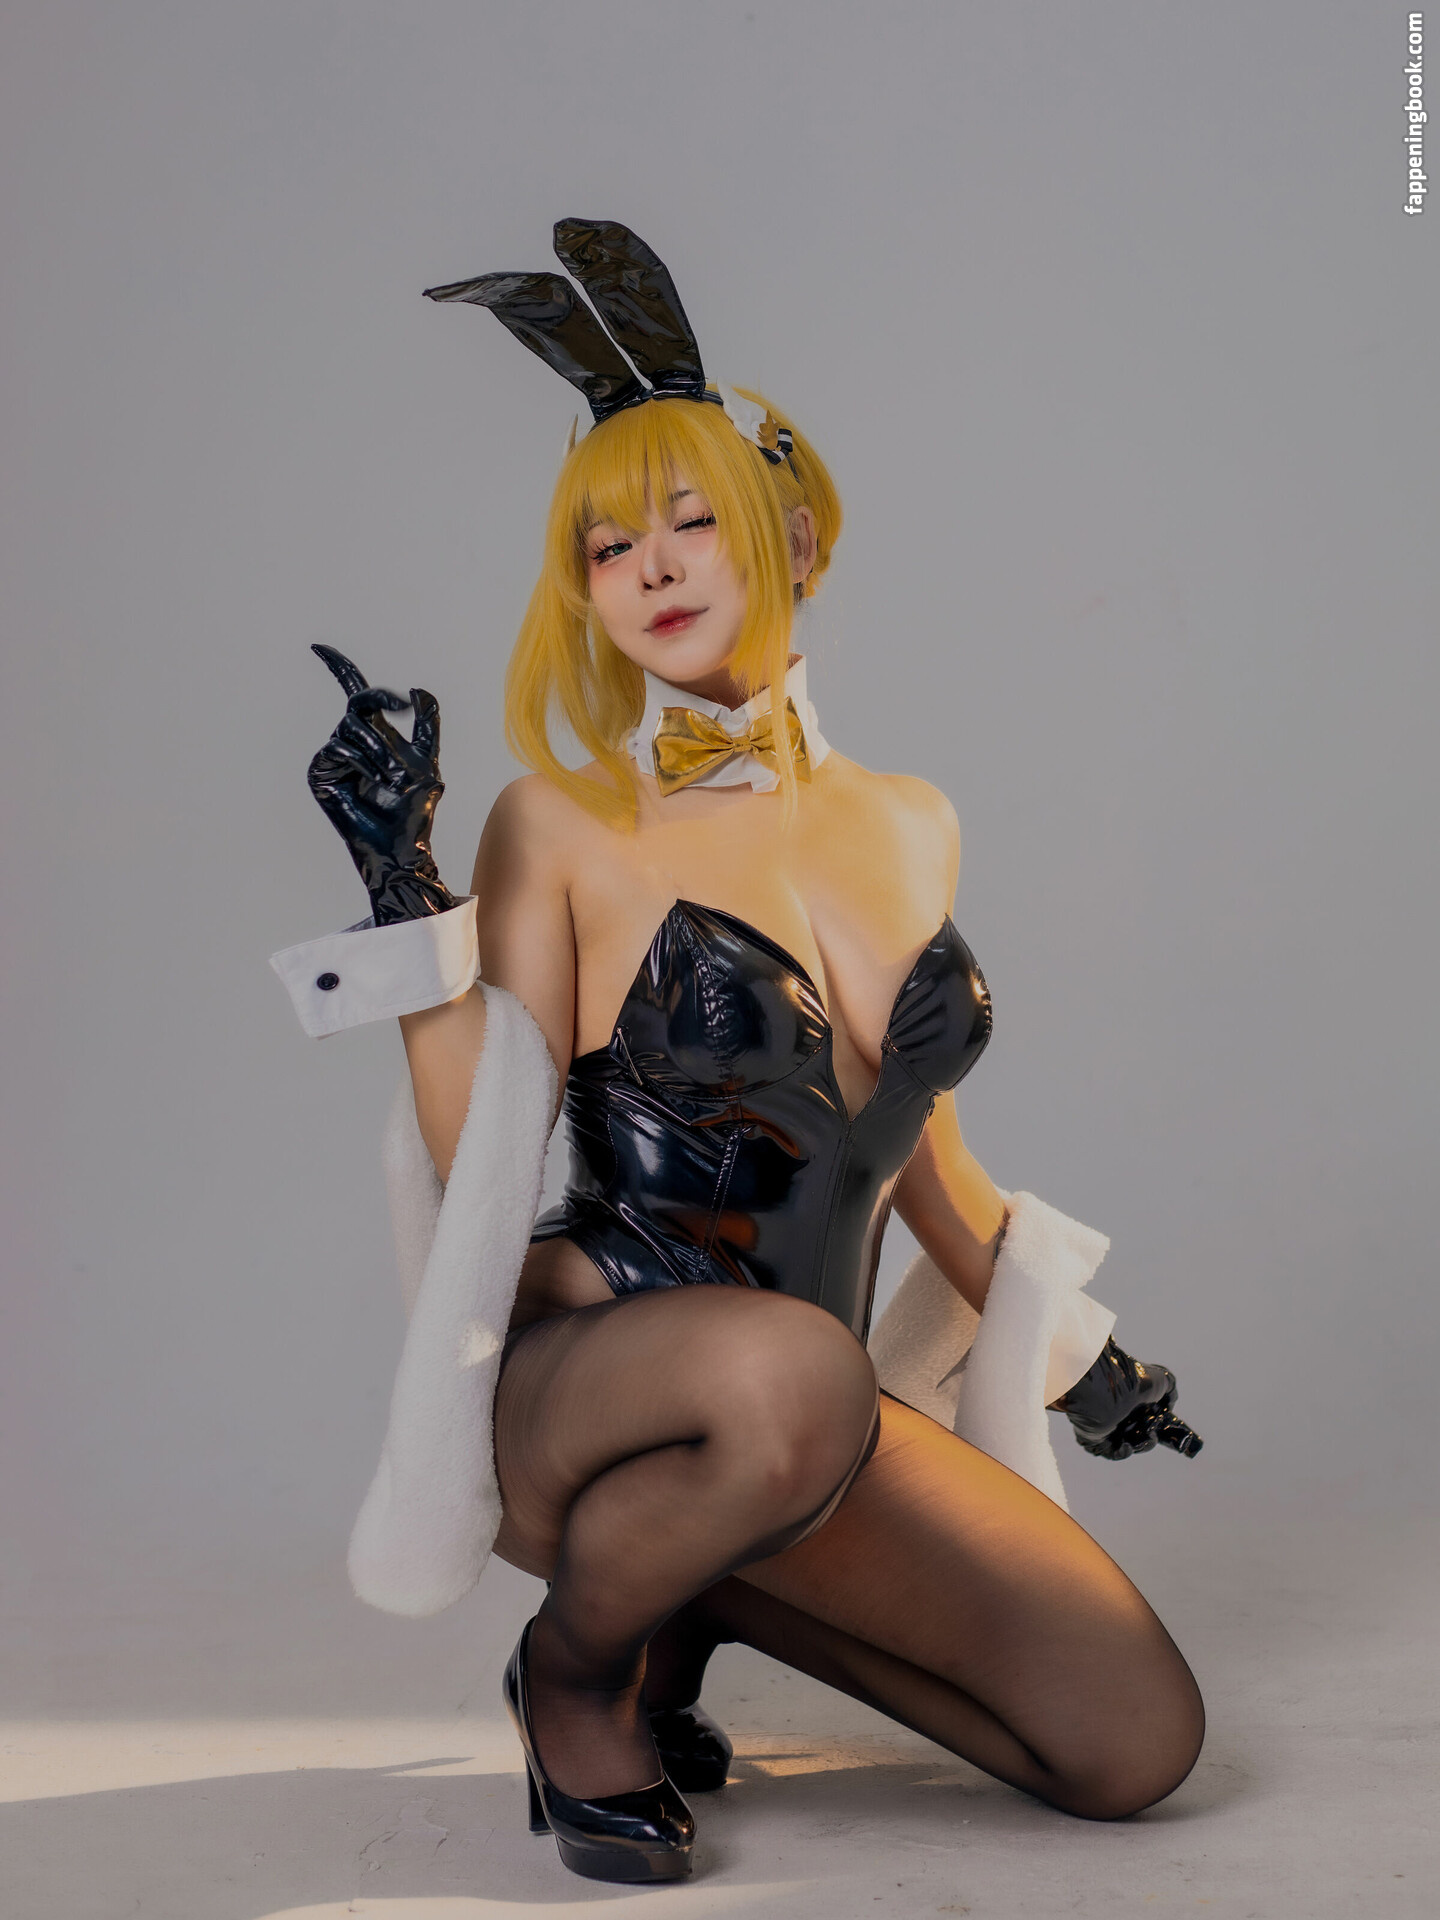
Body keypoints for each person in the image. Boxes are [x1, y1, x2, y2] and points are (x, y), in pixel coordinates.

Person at [272, 220, 1205, 1886]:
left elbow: (920, 1159)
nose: (654, 564)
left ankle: (702, 1593)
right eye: (609, 541)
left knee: (1135, 1746)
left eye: (692, 519)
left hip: (805, 1424)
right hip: (590, 1395)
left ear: (796, 537)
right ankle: (579, 1673)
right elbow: (479, 1142)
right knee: (789, 1372)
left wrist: (1088, 1362)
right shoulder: (559, 823)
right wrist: (401, 892)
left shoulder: (909, 822)